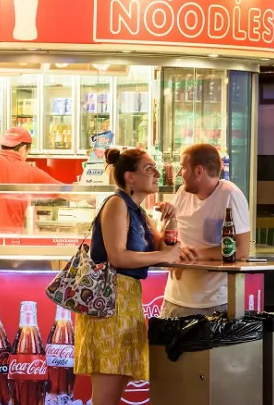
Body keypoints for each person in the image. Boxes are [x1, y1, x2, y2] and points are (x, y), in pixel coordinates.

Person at [74, 147, 182, 404]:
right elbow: (118, 256)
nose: (157, 173)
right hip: (108, 304)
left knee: (115, 389)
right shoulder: (116, 204)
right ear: (130, 177)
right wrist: (164, 256)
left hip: (127, 302)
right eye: (148, 169)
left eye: (155, 167)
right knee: (106, 395)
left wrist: (173, 219)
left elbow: (164, 249)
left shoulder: (139, 212)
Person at [161, 144, 251, 318]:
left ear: (198, 170)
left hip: (214, 303)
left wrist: (196, 254)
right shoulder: (182, 193)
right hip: (174, 299)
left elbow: (241, 251)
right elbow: (170, 238)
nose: (179, 174)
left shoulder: (230, 195)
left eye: (182, 168)